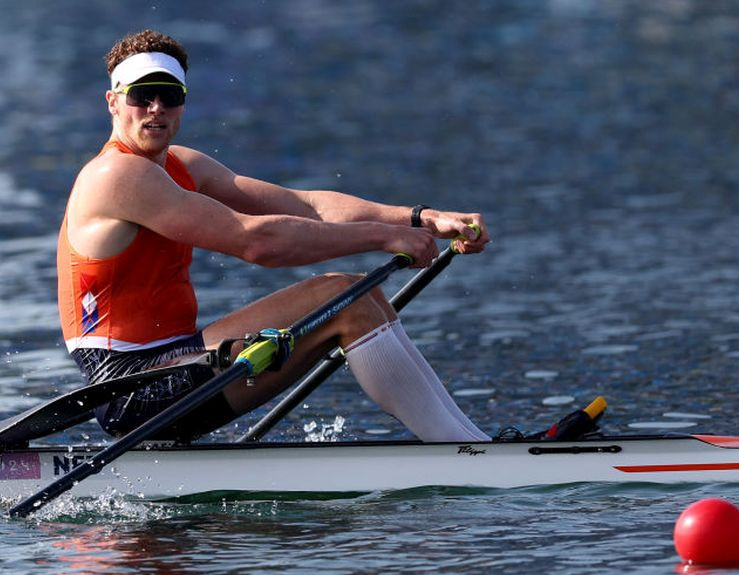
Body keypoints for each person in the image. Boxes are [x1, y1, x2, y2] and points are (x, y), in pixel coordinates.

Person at [57, 29, 492, 443]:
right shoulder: (116, 175)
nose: (156, 108)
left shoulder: (183, 165)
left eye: (169, 96)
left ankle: (470, 444)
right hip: (128, 389)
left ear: (183, 104)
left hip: (176, 358)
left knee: (361, 294)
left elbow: (306, 206)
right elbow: (256, 242)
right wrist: (381, 238)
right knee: (344, 299)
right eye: (141, 96)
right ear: (114, 102)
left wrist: (421, 220)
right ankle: (468, 452)